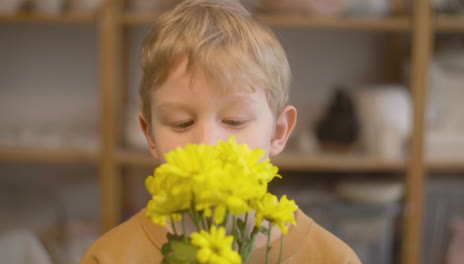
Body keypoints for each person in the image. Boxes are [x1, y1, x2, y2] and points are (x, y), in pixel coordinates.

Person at [81, 0, 361, 263]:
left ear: (278, 132)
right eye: (182, 123)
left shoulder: (332, 258)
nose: (207, 143)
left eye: (234, 121)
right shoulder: (109, 257)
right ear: (150, 136)